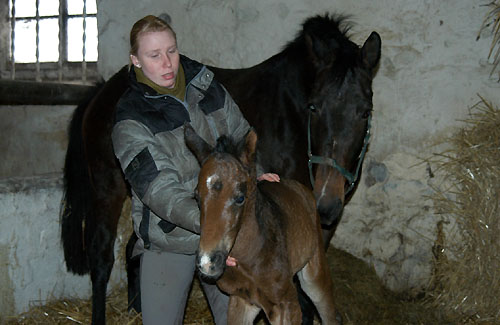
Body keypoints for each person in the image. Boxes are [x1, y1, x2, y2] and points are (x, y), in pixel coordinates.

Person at [112, 15, 279, 324]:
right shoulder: (131, 118)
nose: (167, 63)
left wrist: (256, 172)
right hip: (170, 239)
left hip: (226, 234)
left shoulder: (205, 85)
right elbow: (160, 192)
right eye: (154, 55)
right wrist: (211, 224)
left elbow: (242, 135)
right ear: (135, 60)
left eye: (171, 51)